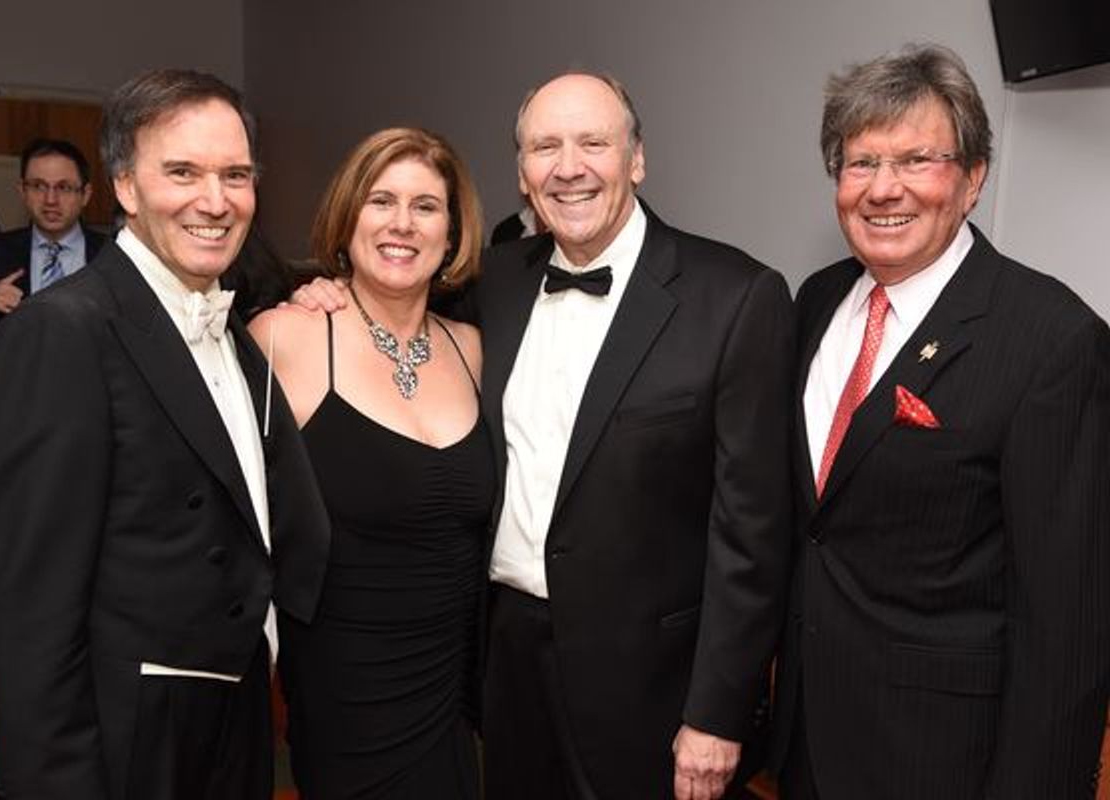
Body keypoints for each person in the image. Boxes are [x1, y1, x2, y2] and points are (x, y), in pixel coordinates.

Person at [296, 72, 794, 800]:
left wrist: (717, 713)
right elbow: (392, 301)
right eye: (544, 147)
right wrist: (323, 287)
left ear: (637, 158)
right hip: (500, 667)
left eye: (593, 142)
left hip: (650, 688)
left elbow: (754, 532)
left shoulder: (735, 296)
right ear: (523, 175)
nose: (569, 167)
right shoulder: (494, 283)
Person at [0, 69, 330, 800]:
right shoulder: (59, 334)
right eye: (183, 172)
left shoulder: (234, 329)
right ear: (126, 187)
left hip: (234, 715)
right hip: (129, 741)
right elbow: (24, 617)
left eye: (236, 174)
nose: (216, 200)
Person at [770, 44, 1110, 799]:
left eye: (917, 159)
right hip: (805, 744)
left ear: (973, 178)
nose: (882, 189)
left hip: (941, 763)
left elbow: (1069, 634)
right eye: (859, 163)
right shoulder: (816, 302)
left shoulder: (1052, 342)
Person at [250, 126, 491, 799]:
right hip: (342, 689)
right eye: (381, 200)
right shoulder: (286, 338)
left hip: (452, 685)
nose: (402, 224)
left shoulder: (475, 348)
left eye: (426, 206)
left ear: (452, 231)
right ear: (347, 216)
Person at [0, 138, 105, 357]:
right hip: (15, 389)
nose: (50, 199)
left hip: (93, 389)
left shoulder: (113, 256)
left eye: (64, 187)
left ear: (85, 194)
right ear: (22, 191)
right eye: (38, 186)